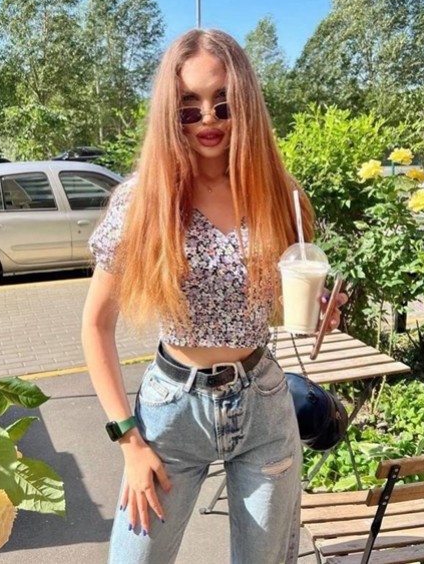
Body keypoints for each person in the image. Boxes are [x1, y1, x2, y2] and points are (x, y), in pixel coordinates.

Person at [81, 28, 344, 564]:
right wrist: (129, 441)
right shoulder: (143, 201)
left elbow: (272, 299)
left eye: (223, 103)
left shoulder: (279, 195)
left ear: (245, 106)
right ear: (168, 112)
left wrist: (319, 310)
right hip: (172, 412)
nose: (208, 119)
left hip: (264, 403)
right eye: (189, 106)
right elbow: (95, 325)